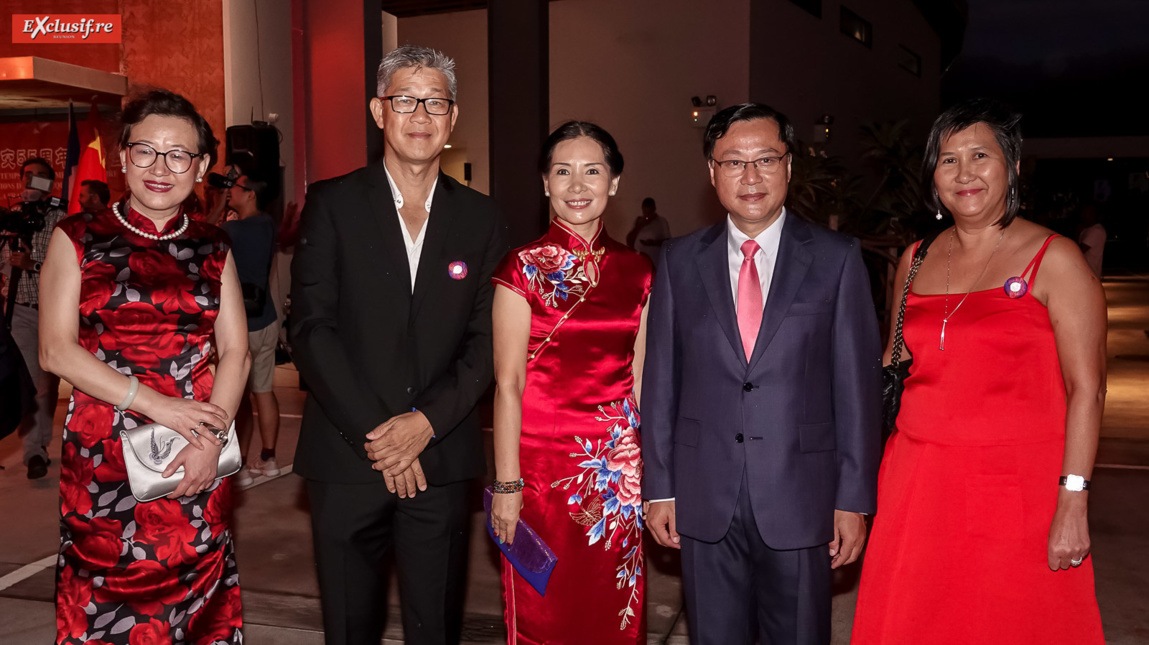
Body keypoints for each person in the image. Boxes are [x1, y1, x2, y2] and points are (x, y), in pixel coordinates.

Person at [851, 99, 1106, 643]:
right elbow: (890, 368)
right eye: (948, 160)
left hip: (1017, 487)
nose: (964, 173)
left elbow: (1089, 389)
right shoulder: (915, 257)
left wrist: (1073, 498)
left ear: (1011, 167)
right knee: (915, 620)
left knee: (1011, 622)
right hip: (917, 482)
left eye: (979, 156)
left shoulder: (1055, 258)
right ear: (933, 177)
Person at [641, 103, 881, 645]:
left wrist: (853, 498)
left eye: (765, 160)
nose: (750, 177)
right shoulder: (679, 262)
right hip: (704, 495)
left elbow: (857, 391)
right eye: (733, 162)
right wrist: (660, 487)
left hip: (803, 495)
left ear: (789, 166)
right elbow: (661, 383)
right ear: (712, 173)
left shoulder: (837, 258)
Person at [290, 45, 505, 645]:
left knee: (433, 627)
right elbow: (310, 328)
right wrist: (384, 436)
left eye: (434, 101)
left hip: (439, 460)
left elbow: (487, 340)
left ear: (453, 117)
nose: (420, 114)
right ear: (379, 111)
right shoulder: (334, 203)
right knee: (349, 627)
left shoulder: (482, 218)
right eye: (405, 99)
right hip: (346, 455)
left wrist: (425, 424)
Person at [38, 89, 249, 644]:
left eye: (179, 155)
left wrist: (210, 435)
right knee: (101, 594)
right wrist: (161, 407)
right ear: (123, 156)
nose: (162, 167)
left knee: (198, 593)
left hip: (196, 450)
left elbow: (237, 351)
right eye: (147, 151)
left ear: (201, 166)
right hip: (103, 454)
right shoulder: (77, 238)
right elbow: (55, 351)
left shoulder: (214, 246)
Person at [490, 122, 653, 643]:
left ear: (615, 183)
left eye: (592, 171)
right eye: (563, 171)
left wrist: (653, 476)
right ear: (544, 183)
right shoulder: (521, 268)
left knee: (611, 614)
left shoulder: (639, 271)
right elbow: (508, 383)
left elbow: (643, 383)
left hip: (615, 479)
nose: (577, 185)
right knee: (545, 615)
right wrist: (508, 485)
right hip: (541, 473)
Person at [2, 156, 67, 479]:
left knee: (46, 385)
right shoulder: (11, 218)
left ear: (50, 185)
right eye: (27, 176)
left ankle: (40, 443)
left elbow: (68, 272)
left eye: (39, 178)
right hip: (19, 311)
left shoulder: (62, 220)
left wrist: (33, 266)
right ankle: (34, 452)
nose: (31, 182)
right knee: (27, 384)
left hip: (54, 314)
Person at [223, 170, 282, 484]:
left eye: (235, 187)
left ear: (250, 194)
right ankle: (269, 459)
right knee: (264, 390)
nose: (230, 190)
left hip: (240, 325)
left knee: (241, 398)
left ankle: (241, 466)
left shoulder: (232, 229)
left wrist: (218, 203)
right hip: (266, 319)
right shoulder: (266, 224)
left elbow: (200, 234)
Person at [626, 197, 670, 263]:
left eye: (649, 212)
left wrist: (653, 243)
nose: (647, 215)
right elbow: (629, 241)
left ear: (654, 209)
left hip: (655, 261)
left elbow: (668, 242)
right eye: (645, 212)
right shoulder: (639, 221)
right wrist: (638, 227)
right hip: (640, 260)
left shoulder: (661, 222)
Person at [1077, 203, 1106, 278]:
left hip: (1090, 273)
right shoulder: (1088, 229)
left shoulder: (1096, 230)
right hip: (1086, 272)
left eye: (1087, 212)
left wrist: (1077, 232)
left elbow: (1080, 250)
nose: (1083, 215)